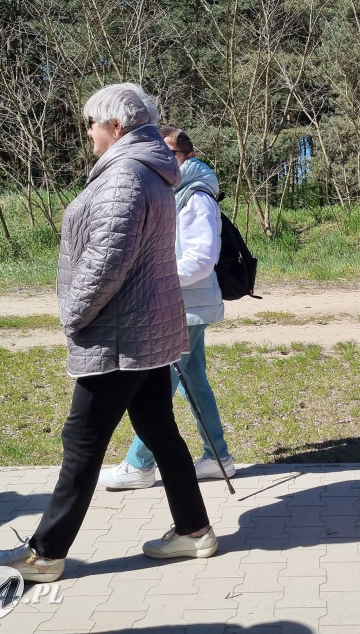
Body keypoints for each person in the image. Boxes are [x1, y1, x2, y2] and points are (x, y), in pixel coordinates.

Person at [0, 84, 217, 582]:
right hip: (144, 329)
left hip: (118, 333)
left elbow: (106, 261)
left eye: (92, 122)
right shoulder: (151, 170)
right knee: (158, 428)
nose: (87, 131)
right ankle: (194, 531)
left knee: (82, 440)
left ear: (117, 127)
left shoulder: (126, 176)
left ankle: (45, 554)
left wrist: (72, 313)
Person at [98, 126, 236, 488]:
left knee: (159, 386)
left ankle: (140, 465)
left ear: (186, 157)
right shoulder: (175, 192)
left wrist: (155, 278)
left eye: (168, 153)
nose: (160, 160)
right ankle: (218, 456)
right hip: (183, 304)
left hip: (184, 306)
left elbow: (202, 258)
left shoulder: (196, 196)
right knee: (195, 381)